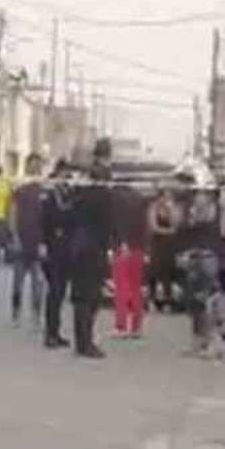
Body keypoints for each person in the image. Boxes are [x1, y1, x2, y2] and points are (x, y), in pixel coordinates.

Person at [68, 140, 114, 359]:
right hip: (93, 244)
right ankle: (85, 343)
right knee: (90, 296)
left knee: (82, 296)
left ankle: (82, 341)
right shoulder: (101, 179)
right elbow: (106, 213)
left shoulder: (83, 179)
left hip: (79, 242)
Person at [41, 161, 76, 349]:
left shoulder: (69, 193)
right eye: (64, 175)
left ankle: (56, 332)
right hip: (52, 245)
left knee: (61, 291)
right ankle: (50, 334)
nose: (66, 178)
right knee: (54, 291)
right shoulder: (49, 194)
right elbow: (42, 220)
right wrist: (42, 243)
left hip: (66, 246)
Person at [9, 155, 47, 328]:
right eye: (32, 166)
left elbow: (48, 219)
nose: (35, 169)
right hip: (22, 241)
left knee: (38, 282)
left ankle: (36, 315)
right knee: (18, 281)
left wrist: (44, 242)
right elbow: (13, 213)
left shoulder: (44, 192)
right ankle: (16, 313)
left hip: (37, 242)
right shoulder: (20, 190)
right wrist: (15, 236)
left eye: (38, 166)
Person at [111, 185, 149, 338]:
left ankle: (121, 325)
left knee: (121, 288)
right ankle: (136, 326)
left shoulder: (118, 209)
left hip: (122, 248)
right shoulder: (141, 209)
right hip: (138, 248)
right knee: (136, 288)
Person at [147, 190, 181, 311]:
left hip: (168, 245)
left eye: (168, 197)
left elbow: (176, 224)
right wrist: (169, 231)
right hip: (157, 243)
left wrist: (171, 211)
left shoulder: (171, 209)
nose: (166, 200)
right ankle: (152, 299)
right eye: (165, 197)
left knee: (167, 271)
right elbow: (154, 227)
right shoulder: (153, 208)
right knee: (154, 271)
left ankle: (167, 300)